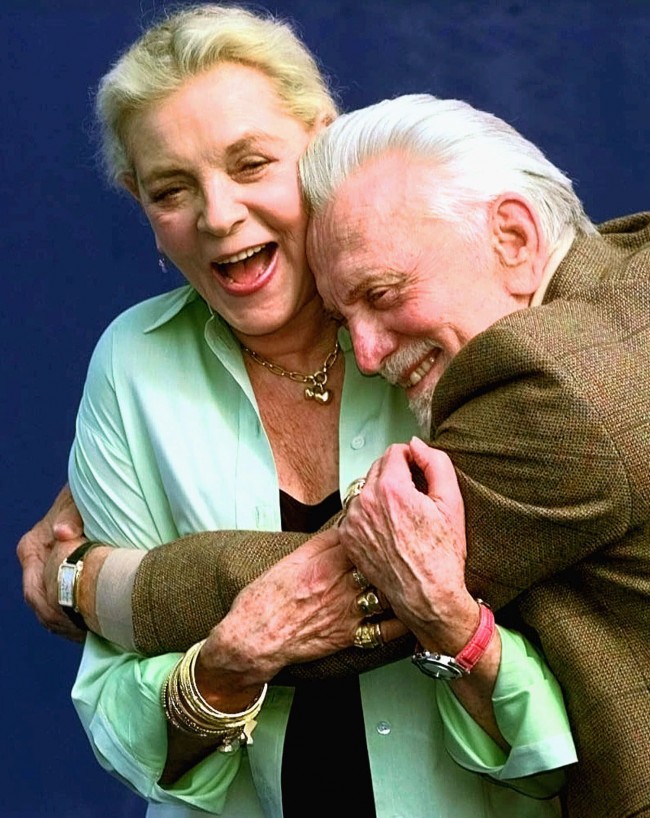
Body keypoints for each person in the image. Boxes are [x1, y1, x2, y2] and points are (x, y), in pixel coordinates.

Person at [17, 7, 577, 818]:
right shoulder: (133, 366)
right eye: (171, 188)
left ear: (321, 141)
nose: (218, 216)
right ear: (139, 203)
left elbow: (574, 689)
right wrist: (228, 665)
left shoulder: (443, 322)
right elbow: (118, 715)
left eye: (251, 164)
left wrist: (87, 583)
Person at [296, 93, 650, 818]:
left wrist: (94, 581)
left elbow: (324, 589)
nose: (365, 355)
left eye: (384, 292)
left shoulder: (563, 382)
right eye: (343, 320)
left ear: (513, 239)